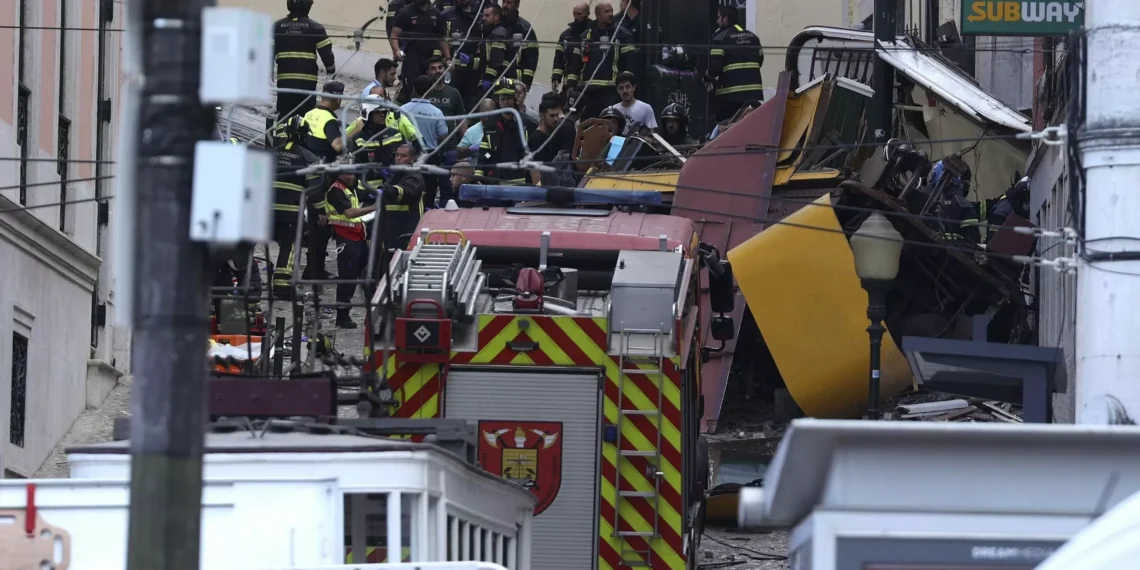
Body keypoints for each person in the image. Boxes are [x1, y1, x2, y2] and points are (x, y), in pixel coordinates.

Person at [270, 115, 322, 300]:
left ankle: (249, 283)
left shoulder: (272, 153)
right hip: (290, 213)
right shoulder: (309, 157)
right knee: (289, 246)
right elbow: (315, 191)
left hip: (266, 211)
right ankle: (282, 288)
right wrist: (321, 212)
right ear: (305, 135)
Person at [566, 2, 637, 119]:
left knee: (609, 124)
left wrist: (625, 86)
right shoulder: (585, 37)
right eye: (607, 11)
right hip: (587, 91)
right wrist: (570, 85)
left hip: (610, 92)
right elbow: (575, 64)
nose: (611, 14)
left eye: (611, 11)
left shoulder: (622, 35)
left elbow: (630, 62)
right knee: (588, 125)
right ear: (598, 15)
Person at [324, 173, 375, 328]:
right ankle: (342, 316)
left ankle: (373, 312)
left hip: (358, 237)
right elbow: (349, 213)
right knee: (348, 277)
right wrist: (374, 207)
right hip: (345, 239)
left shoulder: (349, 187)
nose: (352, 176)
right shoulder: (336, 190)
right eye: (349, 173)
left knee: (368, 274)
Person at [273, 0, 336, 121]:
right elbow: (327, 54)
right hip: (307, 83)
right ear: (308, 6)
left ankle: (282, 132)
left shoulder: (277, 27)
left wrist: (268, 76)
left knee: (285, 115)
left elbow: (267, 52)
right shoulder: (316, 27)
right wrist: (331, 72)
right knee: (306, 117)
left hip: (285, 82)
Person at [707, 5, 765, 123]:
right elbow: (760, 60)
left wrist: (707, 77)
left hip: (730, 95)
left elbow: (715, 68)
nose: (717, 21)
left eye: (719, 17)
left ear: (725, 19)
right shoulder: (753, 37)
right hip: (753, 94)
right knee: (750, 125)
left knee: (727, 126)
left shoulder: (720, 39)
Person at [401, 75, 450, 205]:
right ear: (431, 90)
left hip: (407, 155)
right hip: (430, 156)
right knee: (429, 191)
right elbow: (443, 136)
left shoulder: (403, 110)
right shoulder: (436, 113)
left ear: (414, 89)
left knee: (408, 188)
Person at [390, 0, 450, 103]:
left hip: (430, 59)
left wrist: (448, 58)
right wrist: (396, 50)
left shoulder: (436, 13)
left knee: (432, 91)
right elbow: (394, 35)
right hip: (412, 60)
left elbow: (442, 38)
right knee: (411, 91)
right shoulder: (405, 12)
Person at [475, 80, 530, 184]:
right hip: (496, 181)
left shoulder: (525, 122)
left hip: (520, 182)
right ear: (498, 101)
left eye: (508, 98)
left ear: (514, 99)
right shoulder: (491, 124)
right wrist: (479, 175)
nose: (506, 102)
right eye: (503, 99)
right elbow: (485, 152)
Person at [349, 95, 408, 188]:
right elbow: (354, 167)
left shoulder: (396, 135)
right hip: (366, 191)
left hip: (392, 189)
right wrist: (376, 172)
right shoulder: (358, 139)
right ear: (367, 114)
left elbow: (407, 159)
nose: (383, 115)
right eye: (378, 112)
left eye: (384, 112)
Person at [441, 0, 481, 108]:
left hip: (472, 73)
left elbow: (484, 45)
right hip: (451, 70)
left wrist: (473, 60)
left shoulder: (478, 17)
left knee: (470, 105)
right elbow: (439, 40)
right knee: (450, 104)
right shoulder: (445, 16)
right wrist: (446, 60)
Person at [551, 3, 592, 96]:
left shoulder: (593, 33)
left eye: (579, 14)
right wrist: (556, 78)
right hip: (569, 84)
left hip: (588, 84)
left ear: (587, 14)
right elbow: (559, 59)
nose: (576, 17)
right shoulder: (566, 36)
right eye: (574, 14)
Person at [499, 0, 540, 89]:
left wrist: (525, 84)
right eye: (503, 2)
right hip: (495, 79)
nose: (504, 5)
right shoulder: (496, 24)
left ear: (517, 5)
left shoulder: (525, 29)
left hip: (514, 81)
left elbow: (531, 59)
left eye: (509, 2)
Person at [302, 81, 347, 162]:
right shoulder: (330, 120)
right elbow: (338, 146)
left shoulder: (309, 114)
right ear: (338, 100)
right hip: (323, 166)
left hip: (307, 162)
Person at [606, 71, 656, 136]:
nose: (625, 91)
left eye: (627, 87)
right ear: (617, 90)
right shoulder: (613, 110)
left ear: (634, 87)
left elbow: (652, 135)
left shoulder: (646, 108)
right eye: (621, 88)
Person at [527, 96, 573, 165]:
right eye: (552, 116)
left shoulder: (551, 135)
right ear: (542, 116)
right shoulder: (537, 139)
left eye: (557, 115)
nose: (556, 119)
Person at [476, 4, 510, 94]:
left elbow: (496, 59)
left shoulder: (499, 32)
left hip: (495, 79)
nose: (483, 18)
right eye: (483, 15)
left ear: (496, 17)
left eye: (487, 15)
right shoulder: (490, 32)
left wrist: (488, 78)